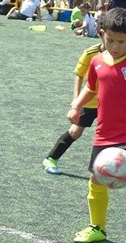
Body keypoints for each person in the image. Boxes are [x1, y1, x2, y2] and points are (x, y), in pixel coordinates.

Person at [69, 7, 126, 243]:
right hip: (105, 132)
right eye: (110, 40)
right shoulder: (96, 62)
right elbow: (90, 88)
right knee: (96, 178)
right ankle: (97, 227)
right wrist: (76, 106)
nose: (116, 46)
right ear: (101, 34)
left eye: (122, 41)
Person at [43, 39, 104, 175]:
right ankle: (51, 158)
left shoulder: (125, 54)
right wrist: (76, 102)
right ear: (102, 33)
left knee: (117, 134)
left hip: (111, 103)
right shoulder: (90, 53)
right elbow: (79, 75)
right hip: (90, 101)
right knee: (75, 131)